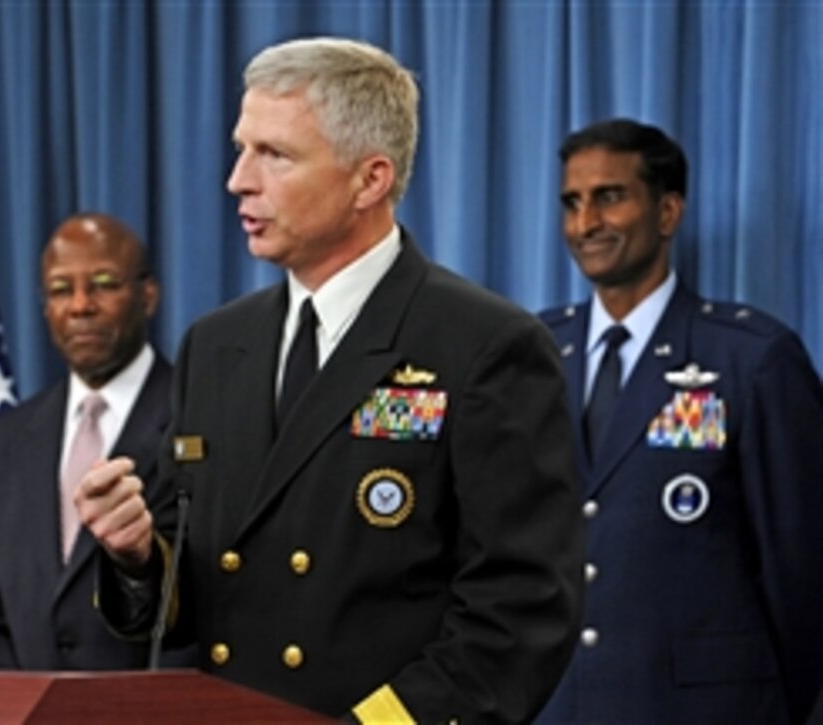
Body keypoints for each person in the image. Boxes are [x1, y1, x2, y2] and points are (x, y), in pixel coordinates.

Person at [76, 37, 583, 722]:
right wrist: (136, 553)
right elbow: (190, 595)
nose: (238, 180)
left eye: (274, 155)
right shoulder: (217, 344)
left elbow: (519, 614)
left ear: (369, 180)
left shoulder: (485, 345)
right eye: (241, 147)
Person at [535, 118, 823, 724]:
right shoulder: (528, 355)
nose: (585, 224)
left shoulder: (751, 358)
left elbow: (801, 573)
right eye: (572, 203)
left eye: (609, 198)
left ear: (668, 212)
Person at [0, 213, 189, 670]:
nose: (80, 305)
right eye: (60, 290)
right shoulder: (0, 444)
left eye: (103, 283)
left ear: (148, 295)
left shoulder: (198, 416)